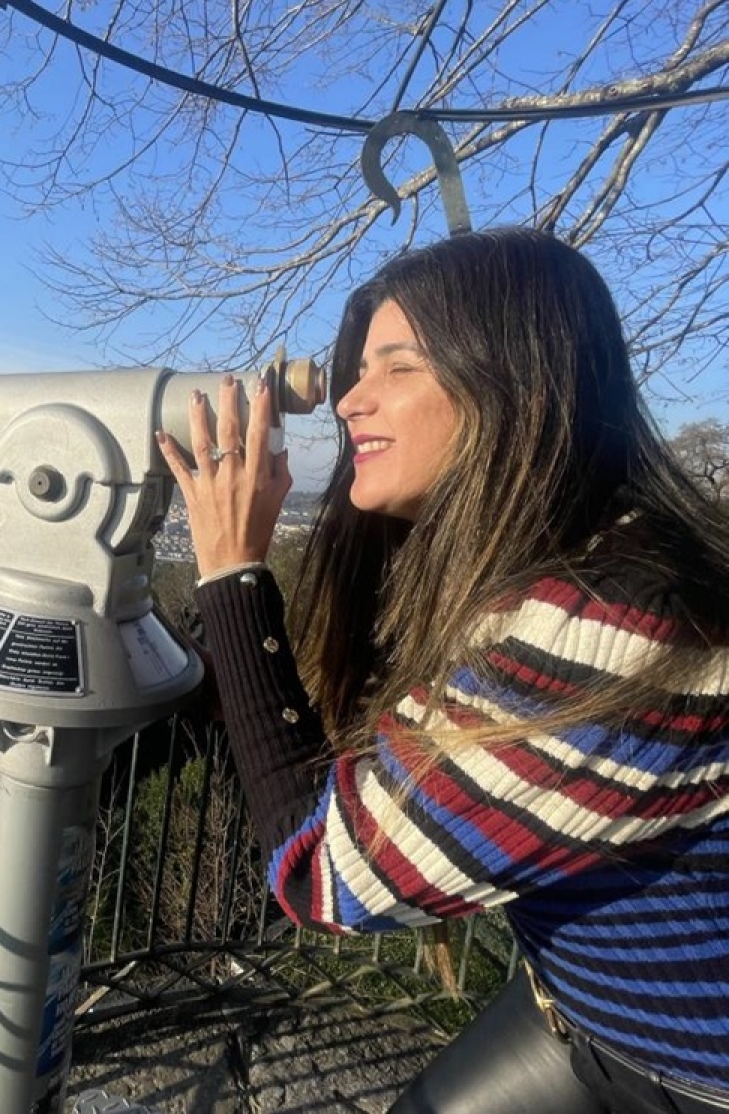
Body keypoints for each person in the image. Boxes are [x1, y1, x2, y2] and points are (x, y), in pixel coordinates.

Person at [155, 227, 729, 1114]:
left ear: (514, 386)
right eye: (357, 371)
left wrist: (232, 573)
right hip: (572, 1009)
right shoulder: (554, 568)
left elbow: (327, 872)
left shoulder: (625, 621)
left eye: (397, 367)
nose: (350, 401)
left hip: (688, 1074)